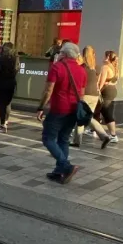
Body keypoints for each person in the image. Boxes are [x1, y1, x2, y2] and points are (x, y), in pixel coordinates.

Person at [37, 42, 85, 184]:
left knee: (48, 138)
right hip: (73, 110)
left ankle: (66, 166)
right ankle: (59, 172)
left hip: (58, 109)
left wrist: (41, 107)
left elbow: (48, 90)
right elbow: (82, 94)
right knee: (63, 139)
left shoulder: (57, 67)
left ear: (63, 54)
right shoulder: (81, 70)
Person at [71, 46, 111, 148]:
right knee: (88, 117)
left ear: (84, 54)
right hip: (95, 95)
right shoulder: (96, 68)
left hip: (86, 95)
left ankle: (77, 141)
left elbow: (78, 83)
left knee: (81, 117)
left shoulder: (82, 67)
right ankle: (103, 135)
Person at [0, 42, 19, 133]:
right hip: (12, 82)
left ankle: (2, 125)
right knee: (8, 103)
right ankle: (6, 122)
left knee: (2, 104)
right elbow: (16, 69)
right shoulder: (16, 58)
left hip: (2, 82)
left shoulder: (0, 58)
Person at [98, 50, 119, 143]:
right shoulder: (115, 67)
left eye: (104, 56)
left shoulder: (105, 67)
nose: (103, 58)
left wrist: (98, 90)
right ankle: (93, 129)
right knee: (98, 108)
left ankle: (113, 135)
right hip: (113, 90)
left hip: (106, 91)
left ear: (107, 57)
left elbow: (102, 82)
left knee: (105, 111)